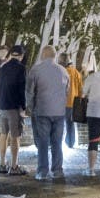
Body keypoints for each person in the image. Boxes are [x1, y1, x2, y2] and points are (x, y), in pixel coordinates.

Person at [27, 45, 69, 180]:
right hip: (59, 112)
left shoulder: (36, 70)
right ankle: (57, 170)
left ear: (42, 55)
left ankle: (42, 171)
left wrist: (31, 107)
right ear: (54, 56)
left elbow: (30, 92)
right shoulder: (63, 71)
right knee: (57, 142)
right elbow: (67, 91)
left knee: (43, 142)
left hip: (42, 110)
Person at [0, 45, 28, 175]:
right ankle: (14, 166)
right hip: (14, 107)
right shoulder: (21, 68)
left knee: (3, 135)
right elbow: (21, 89)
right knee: (15, 137)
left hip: (3, 105)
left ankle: (2, 164)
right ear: (21, 56)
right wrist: (24, 107)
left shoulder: (3, 67)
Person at [59, 52, 83, 148]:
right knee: (70, 124)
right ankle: (70, 143)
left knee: (58, 123)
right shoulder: (76, 72)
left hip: (61, 102)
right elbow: (81, 89)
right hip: (73, 102)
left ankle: (58, 143)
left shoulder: (60, 71)